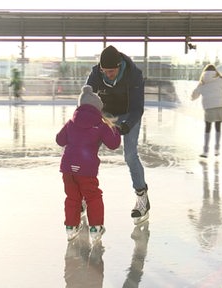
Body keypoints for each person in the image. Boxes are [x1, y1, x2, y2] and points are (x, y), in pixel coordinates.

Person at [85, 45, 150, 225]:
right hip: (105, 115)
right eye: (105, 71)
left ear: (119, 66)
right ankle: (84, 194)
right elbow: (86, 98)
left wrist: (127, 125)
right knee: (87, 151)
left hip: (129, 114)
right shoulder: (96, 73)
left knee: (130, 155)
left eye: (111, 71)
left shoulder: (134, 75)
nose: (108, 74)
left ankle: (142, 197)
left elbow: (138, 108)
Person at [56, 85, 121, 242]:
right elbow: (113, 144)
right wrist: (116, 130)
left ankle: (70, 228)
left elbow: (60, 140)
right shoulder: (100, 125)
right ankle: (95, 227)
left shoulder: (71, 122)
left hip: (67, 169)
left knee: (72, 197)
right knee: (93, 197)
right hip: (86, 170)